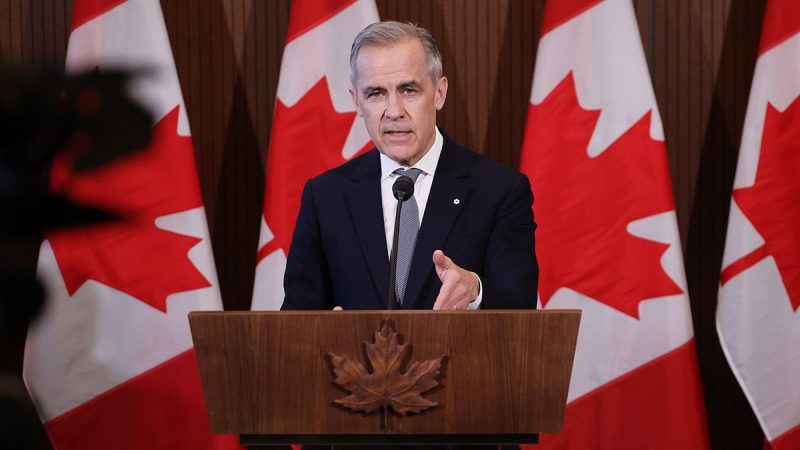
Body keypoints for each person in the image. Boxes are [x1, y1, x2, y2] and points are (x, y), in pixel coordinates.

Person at [281, 20, 537, 313]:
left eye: (409, 90)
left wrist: (475, 291)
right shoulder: (325, 196)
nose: (394, 112)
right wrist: (322, 331)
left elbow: (521, 309)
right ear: (357, 101)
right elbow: (295, 318)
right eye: (376, 93)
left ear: (439, 93)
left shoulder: (499, 191)